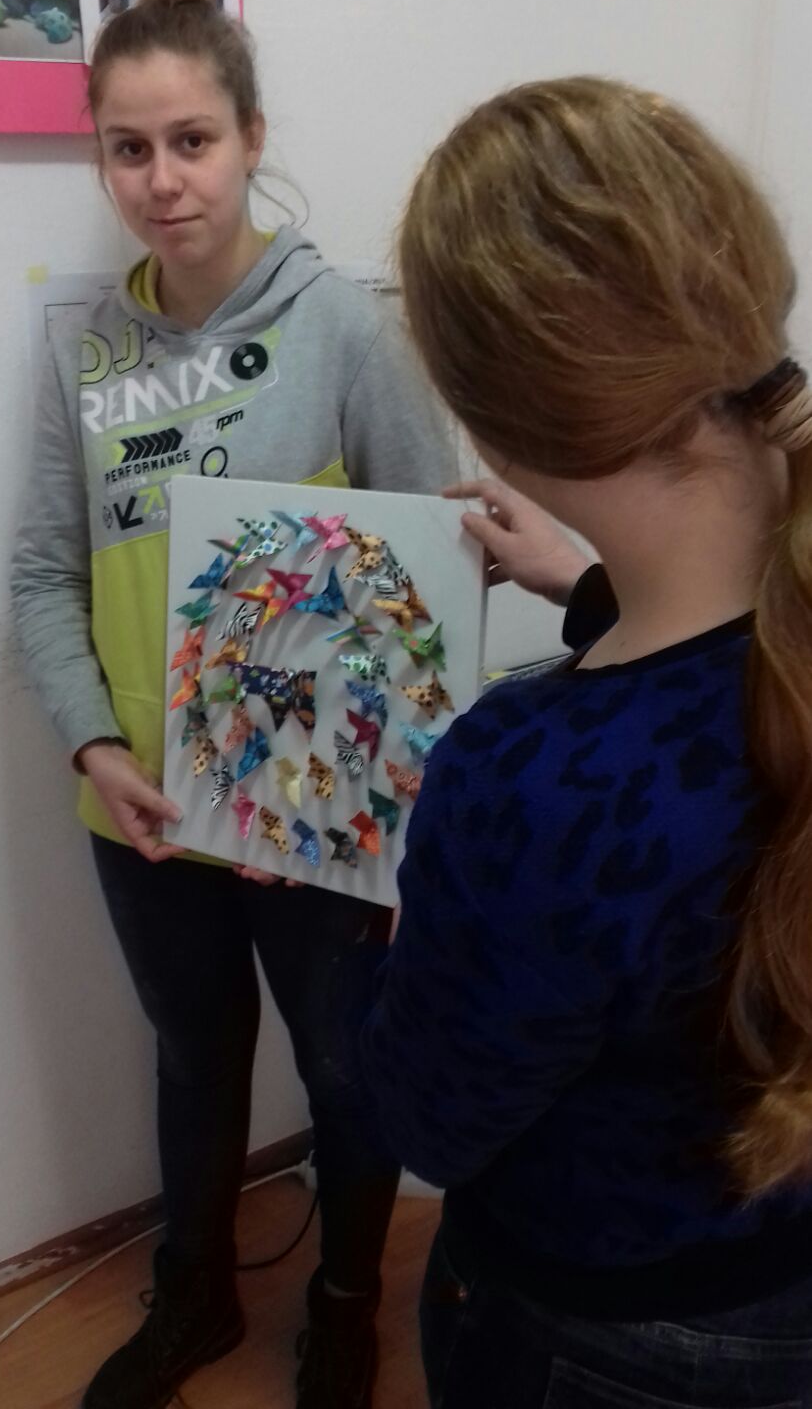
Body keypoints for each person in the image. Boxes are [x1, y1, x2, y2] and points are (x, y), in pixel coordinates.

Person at [11, 0, 451, 1409]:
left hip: (316, 817)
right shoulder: (84, 352)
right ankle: (192, 1298)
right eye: (128, 149)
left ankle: (345, 1309)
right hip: (140, 807)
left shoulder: (348, 329)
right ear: (101, 158)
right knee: (194, 1060)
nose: (163, 179)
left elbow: (425, 585)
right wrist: (96, 748)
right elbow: (44, 575)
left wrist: (343, 794)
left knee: (345, 1072)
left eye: (192, 140)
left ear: (253, 138)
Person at [362, 76, 812, 1409]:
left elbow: (430, 1123)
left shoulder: (532, 780)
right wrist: (596, 586)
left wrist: (393, 938)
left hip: (607, 1332)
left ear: (497, 428)